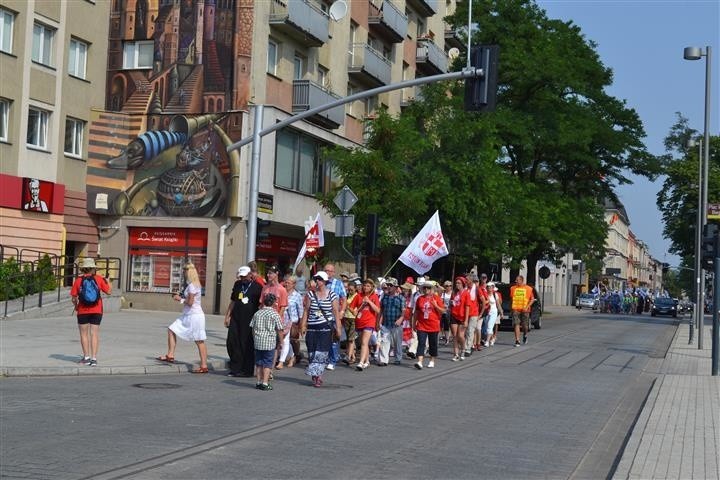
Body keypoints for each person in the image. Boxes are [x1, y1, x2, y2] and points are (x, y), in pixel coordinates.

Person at [157, 263, 208, 373]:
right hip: (188, 315)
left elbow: (190, 302)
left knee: (199, 340)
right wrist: (181, 296)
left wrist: (179, 299)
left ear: (188, 272)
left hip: (194, 316)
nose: (183, 273)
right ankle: (170, 355)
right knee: (171, 329)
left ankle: (204, 365)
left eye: (184, 271)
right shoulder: (194, 284)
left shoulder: (193, 286)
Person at [300, 271, 342, 387]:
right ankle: (315, 374)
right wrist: (303, 325)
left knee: (321, 352)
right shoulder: (310, 295)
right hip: (312, 327)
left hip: (325, 327)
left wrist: (338, 328)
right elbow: (306, 311)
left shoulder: (332, 294)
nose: (317, 281)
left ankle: (318, 376)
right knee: (312, 352)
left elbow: (336, 312)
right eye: (316, 279)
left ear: (324, 281)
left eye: (319, 279)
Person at [70, 258, 111, 366]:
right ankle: (94, 359)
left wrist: (76, 306)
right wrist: (108, 281)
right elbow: (109, 292)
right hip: (97, 310)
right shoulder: (99, 279)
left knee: (84, 334)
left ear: (83, 269)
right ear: (93, 268)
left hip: (83, 311)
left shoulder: (78, 280)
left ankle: (86, 357)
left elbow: (74, 297)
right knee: (94, 334)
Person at [224, 266, 263, 377]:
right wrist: (227, 316)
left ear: (250, 275)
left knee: (246, 344)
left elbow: (260, 304)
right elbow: (233, 301)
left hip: (249, 319)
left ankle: (246, 370)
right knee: (232, 341)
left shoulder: (257, 287)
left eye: (245, 276)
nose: (243, 278)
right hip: (236, 318)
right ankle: (235, 367)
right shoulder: (237, 285)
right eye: (241, 276)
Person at [250, 293, 285, 390]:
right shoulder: (275, 314)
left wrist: (254, 338)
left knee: (259, 362)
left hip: (258, 341)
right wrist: (281, 342)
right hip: (269, 342)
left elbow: (252, 327)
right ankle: (265, 383)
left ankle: (258, 382)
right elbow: (279, 329)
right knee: (267, 363)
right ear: (274, 303)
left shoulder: (257, 313)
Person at [260, 264, 288, 369]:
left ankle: (270, 368)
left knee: (274, 346)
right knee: (264, 344)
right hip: (264, 320)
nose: (268, 275)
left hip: (275, 321)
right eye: (268, 273)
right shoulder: (265, 288)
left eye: (271, 273)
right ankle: (263, 366)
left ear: (276, 274)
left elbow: (283, 307)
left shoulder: (282, 289)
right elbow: (261, 304)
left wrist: (277, 320)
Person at [412, 281, 446, 369]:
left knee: (433, 344)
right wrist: (413, 323)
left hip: (433, 325)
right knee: (421, 343)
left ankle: (432, 360)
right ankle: (420, 361)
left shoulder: (437, 298)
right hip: (422, 325)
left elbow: (443, 311)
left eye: (428, 288)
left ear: (432, 289)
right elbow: (416, 312)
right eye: (424, 288)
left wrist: (435, 305)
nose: (426, 289)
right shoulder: (420, 299)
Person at [349, 278, 380, 371]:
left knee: (364, 342)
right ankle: (367, 361)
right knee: (363, 343)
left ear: (371, 288)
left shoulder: (374, 296)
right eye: (365, 285)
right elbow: (351, 306)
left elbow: (378, 310)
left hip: (369, 322)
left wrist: (369, 302)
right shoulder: (358, 296)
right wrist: (354, 312)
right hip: (359, 321)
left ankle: (361, 362)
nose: (366, 287)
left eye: (368, 286)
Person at [323, 263, 347, 370]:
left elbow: (344, 298)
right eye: (326, 270)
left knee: (333, 338)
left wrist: (342, 310)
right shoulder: (320, 282)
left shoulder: (338, 283)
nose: (328, 273)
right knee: (323, 338)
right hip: (322, 315)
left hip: (334, 315)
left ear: (333, 272)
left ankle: (332, 360)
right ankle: (326, 358)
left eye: (330, 271)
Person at [278, 274, 303, 368]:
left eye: (289, 283)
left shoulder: (297, 296)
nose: (286, 284)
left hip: (292, 322)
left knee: (286, 340)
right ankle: (292, 357)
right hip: (281, 320)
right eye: (286, 282)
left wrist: (301, 325)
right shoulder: (282, 293)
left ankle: (281, 361)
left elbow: (300, 311)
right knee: (286, 341)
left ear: (294, 284)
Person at [378, 277, 404, 365]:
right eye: (387, 285)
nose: (389, 287)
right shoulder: (384, 297)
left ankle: (398, 358)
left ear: (396, 287)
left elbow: (404, 311)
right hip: (386, 323)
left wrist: (401, 319)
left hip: (397, 324)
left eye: (391, 285)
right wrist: (379, 322)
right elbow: (381, 310)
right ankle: (383, 360)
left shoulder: (401, 298)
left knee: (397, 342)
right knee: (384, 341)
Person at [510, 275, 535, 346]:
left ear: (521, 280)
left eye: (517, 280)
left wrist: (527, 307)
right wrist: (511, 309)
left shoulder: (528, 289)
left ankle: (525, 334)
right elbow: (512, 299)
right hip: (516, 309)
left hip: (525, 310)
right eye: (516, 280)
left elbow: (532, 299)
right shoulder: (512, 288)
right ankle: (517, 340)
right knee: (516, 324)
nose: (516, 281)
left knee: (525, 326)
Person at [341, 277, 361, 365]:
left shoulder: (357, 296)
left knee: (351, 338)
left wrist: (350, 308)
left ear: (355, 289)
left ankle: (348, 356)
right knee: (348, 338)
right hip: (346, 318)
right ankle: (352, 356)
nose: (350, 291)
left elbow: (358, 308)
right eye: (348, 289)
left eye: (351, 290)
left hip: (353, 319)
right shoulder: (347, 295)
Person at [450, 276, 470, 361]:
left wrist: (466, 320)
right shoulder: (454, 293)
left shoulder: (466, 293)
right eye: (456, 283)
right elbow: (451, 303)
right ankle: (456, 354)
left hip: (462, 316)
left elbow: (467, 307)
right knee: (454, 336)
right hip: (454, 315)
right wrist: (451, 303)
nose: (457, 285)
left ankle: (463, 350)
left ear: (463, 284)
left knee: (460, 335)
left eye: (459, 283)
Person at [483, 282, 502, 347]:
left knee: (489, 326)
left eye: (491, 287)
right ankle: (492, 339)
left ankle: (487, 341)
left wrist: (501, 313)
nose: (489, 288)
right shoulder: (485, 294)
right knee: (486, 328)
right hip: (486, 312)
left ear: (493, 288)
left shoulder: (495, 295)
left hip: (493, 312)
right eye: (488, 287)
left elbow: (498, 304)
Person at [440, 280, 453, 345]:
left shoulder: (453, 293)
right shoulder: (443, 294)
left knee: (452, 325)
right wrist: (443, 305)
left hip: (452, 311)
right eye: (447, 286)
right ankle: (447, 339)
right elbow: (441, 302)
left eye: (450, 286)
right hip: (445, 312)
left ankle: (452, 336)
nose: (448, 287)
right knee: (446, 325)